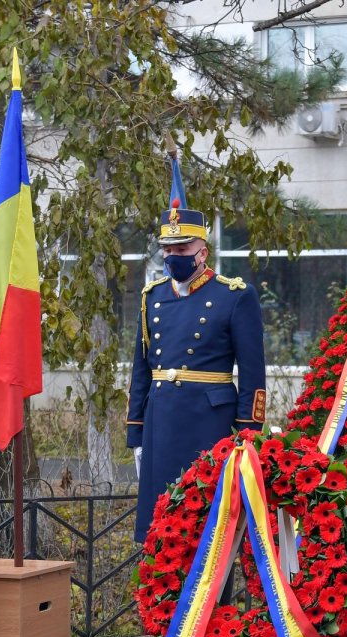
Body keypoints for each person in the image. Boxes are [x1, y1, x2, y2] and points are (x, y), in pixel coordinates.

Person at [126, 190, 266, 543]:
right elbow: (141, 370)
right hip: (161, 421)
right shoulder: (152, 297)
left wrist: (248, 433)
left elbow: (253, 373)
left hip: (210, 424)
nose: (173, 257)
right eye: (168, 250)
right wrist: (136, 432)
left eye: (182, 249)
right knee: (162, 526)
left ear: (202, 252)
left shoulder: (234, 295)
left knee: (207, 525)